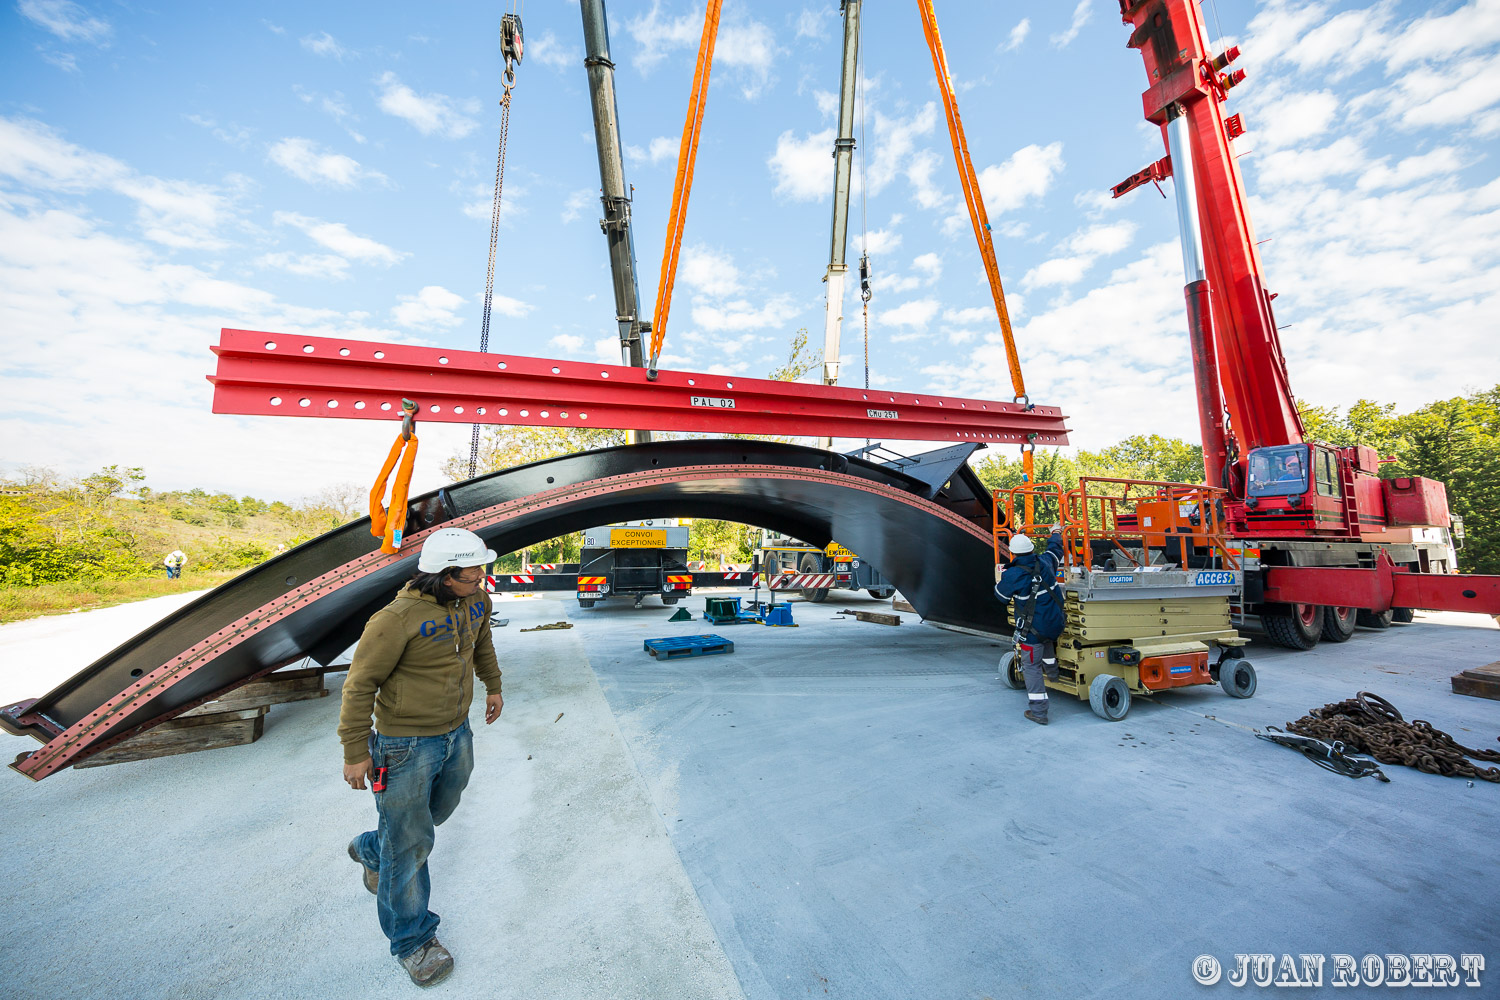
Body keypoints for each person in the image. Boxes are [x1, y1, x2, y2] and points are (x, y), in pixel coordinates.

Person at [339, 527, 505, 988]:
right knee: (412, 842)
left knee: (434, 815)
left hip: (457, 732)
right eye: (472, 570)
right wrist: (355, 750)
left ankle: (374, 848)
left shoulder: (476, 601)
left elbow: (481, 644)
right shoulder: (395, 620)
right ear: (444, 574)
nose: (481, 575)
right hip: (404, 742)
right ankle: (413, 941)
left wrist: (493, 685)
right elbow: (359, 685)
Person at [995, 525, 1065, 725]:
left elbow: (1000, 597)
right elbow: (1055, 550)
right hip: (1056, 623)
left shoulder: (1013, 575)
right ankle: (1053, 674)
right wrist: (1056, 533)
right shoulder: (1045, 561)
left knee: (1031, 667)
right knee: (1048, 640)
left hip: (1033, 631)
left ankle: (1039, 712)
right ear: (1032, 549)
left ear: (1012, 553)